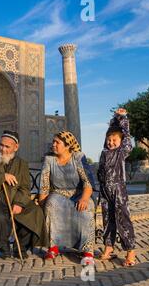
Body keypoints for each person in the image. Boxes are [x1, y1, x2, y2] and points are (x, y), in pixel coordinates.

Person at [0, 131, 47, 259]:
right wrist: (2, 177)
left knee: (35, 212)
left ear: (16, 147)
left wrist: (19, 203)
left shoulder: (22, 164)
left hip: (15, 198)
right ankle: (4, 247)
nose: (3, 149)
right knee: (0, 217)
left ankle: (20, 247)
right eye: (1, 145)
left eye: (7, 147)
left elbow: (25, 188)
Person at [38, 131, 96, 260]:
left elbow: (87, 182)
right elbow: (44, 185)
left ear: (67, 145)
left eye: (57, 142)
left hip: (79, 194)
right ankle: (53, 247)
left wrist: (85, 198)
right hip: (59, 194)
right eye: (53, 141)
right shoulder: (49, 159)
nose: (53, 144)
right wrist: (42, 204)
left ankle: (87, 251)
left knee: (86, 210)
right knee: (51, 205)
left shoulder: (78, 157)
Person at [97, 108, 136, 267]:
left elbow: (125, 137)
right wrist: (114, 120)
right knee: (107, 219)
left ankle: (130, 251)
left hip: (118, 191)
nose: (111, 142)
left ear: (120, 143)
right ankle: (108, 247)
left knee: (123, 220)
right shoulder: (104, 152)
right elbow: (100, 172)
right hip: (105, 192)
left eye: (114, 140)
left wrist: (123, 118)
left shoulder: (122, 152)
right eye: (109, 139)